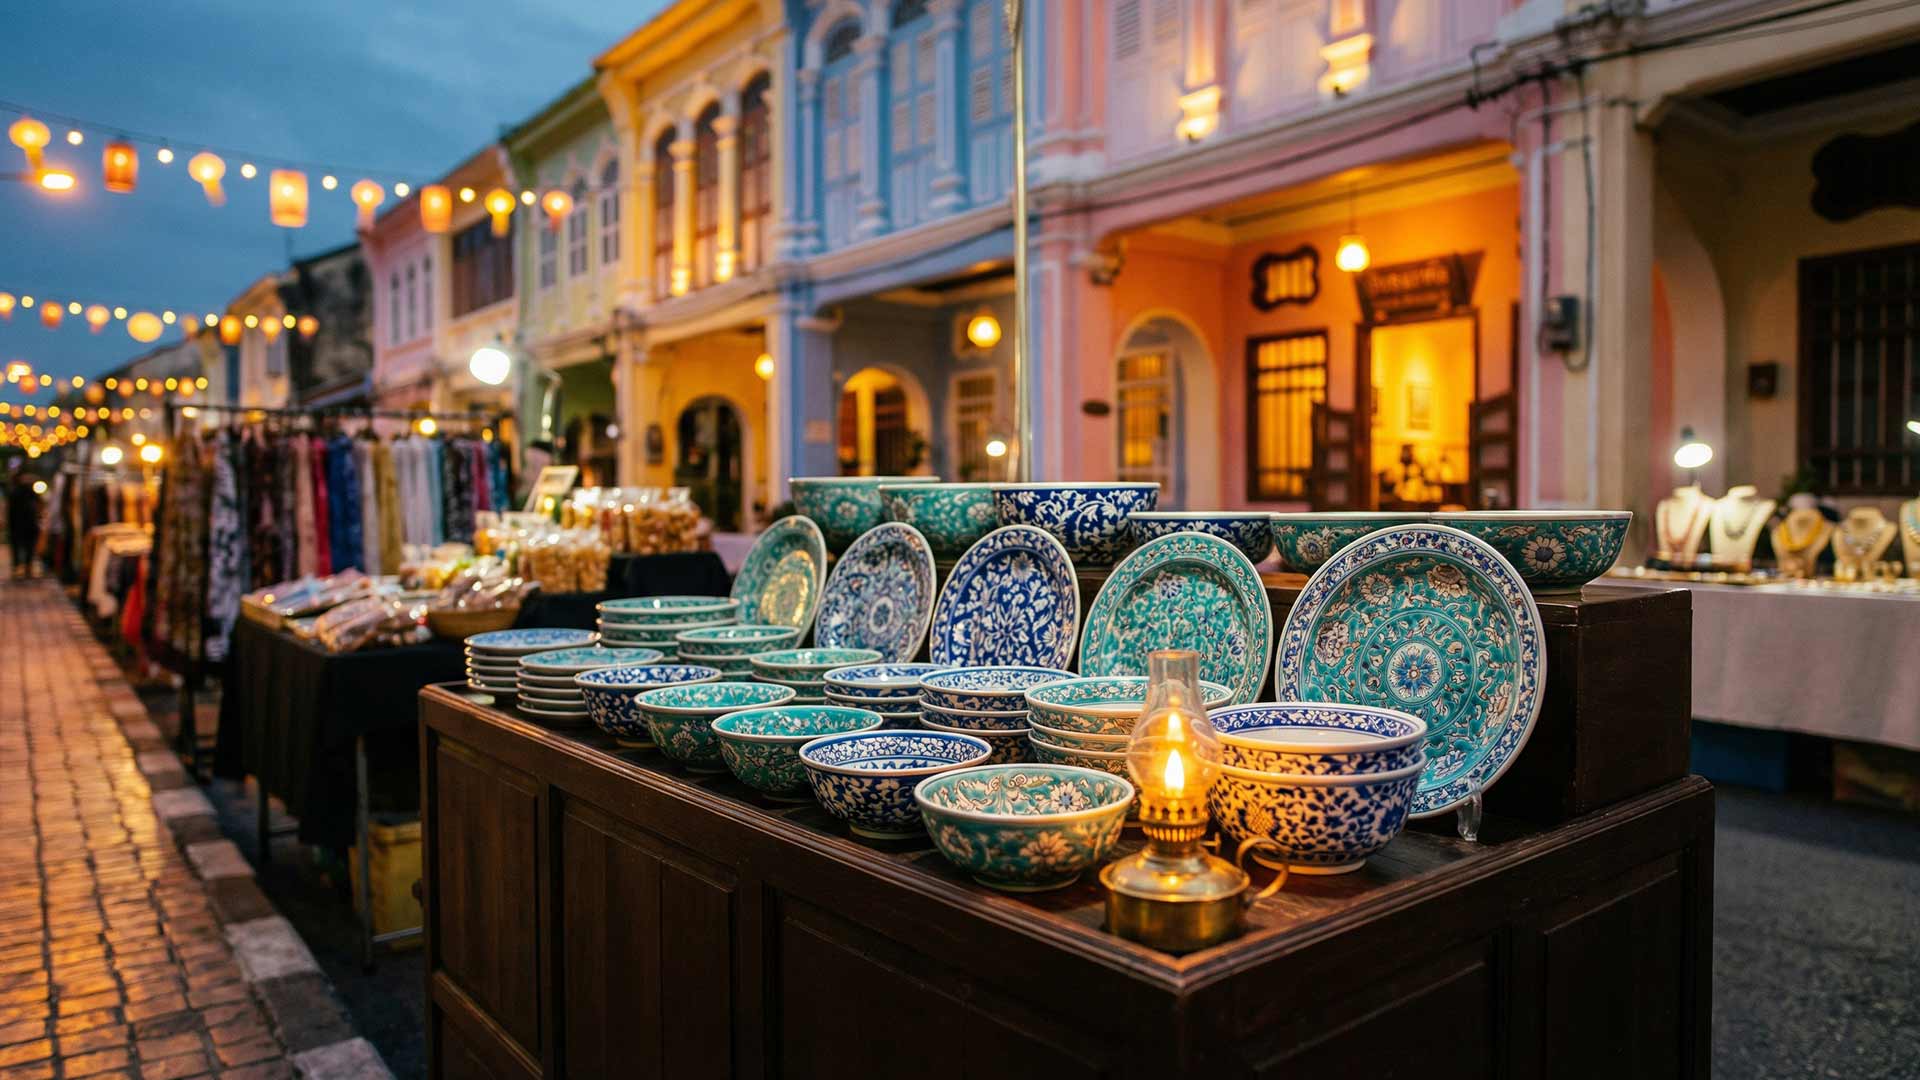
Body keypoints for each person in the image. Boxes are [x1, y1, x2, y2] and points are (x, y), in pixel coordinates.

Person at [7, 472, 42, 578]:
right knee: (27, 548)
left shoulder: (16, 492)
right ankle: (25, 568)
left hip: (19, 525)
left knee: (20, 548)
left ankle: (20, 568)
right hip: (26, 524)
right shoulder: (28, 492)